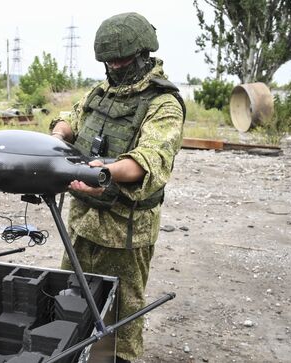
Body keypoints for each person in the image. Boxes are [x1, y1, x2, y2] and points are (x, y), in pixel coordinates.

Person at [50, 12, 185, 363]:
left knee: (122, 323)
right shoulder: (100, 93)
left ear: (143, 54)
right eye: (108, 61)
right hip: (81, 225)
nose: (114, 67)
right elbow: (71, 118)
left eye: (121, 60)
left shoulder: (163, 104)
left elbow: (148, 159)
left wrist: (104, 172)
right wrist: (58, 135)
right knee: (69, 305)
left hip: (124, 234)